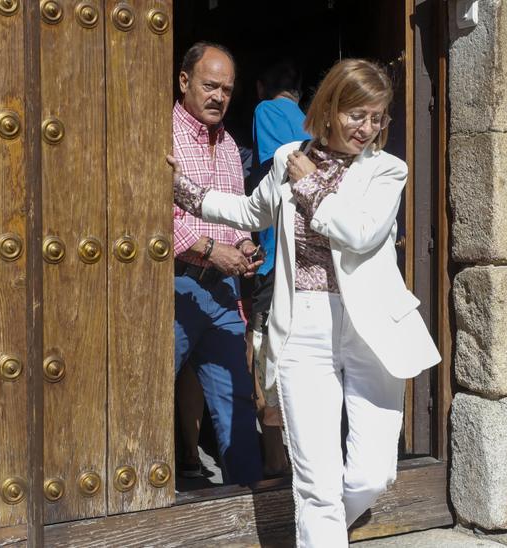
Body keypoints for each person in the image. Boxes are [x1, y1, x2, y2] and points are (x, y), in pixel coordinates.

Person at [170, 59, 440, 547]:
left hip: (370, 331)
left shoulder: (387, 170)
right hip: (304, 329)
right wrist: (184, 192)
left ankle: (327, 526)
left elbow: (360, 233)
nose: (369, 128)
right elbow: (250, 210)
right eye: (358, 114)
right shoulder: (288, 157)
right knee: (316, 486)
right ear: (331, 108)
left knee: (372, 475)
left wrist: (311, 183)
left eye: (378, 117)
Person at [170, 41, 264, 486]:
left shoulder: (229, 144)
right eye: (210, 86)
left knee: (236, 403)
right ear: (184, 81)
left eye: (227, 89)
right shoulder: (160, 134)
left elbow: (237, 213)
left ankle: (247, 512)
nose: (219, 97)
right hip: (174, 287)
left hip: (223, 294)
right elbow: (151, 216)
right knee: (144, 396)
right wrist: (210, 250)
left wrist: (243, 246)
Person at [248, 59, 310, 477]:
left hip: (274, 256)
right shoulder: (311, 119)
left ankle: (274, 462)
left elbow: (277, 167)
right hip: (306, 258)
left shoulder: (265, 111)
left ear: (259, 87)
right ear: (301, 92)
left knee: (264, 352)